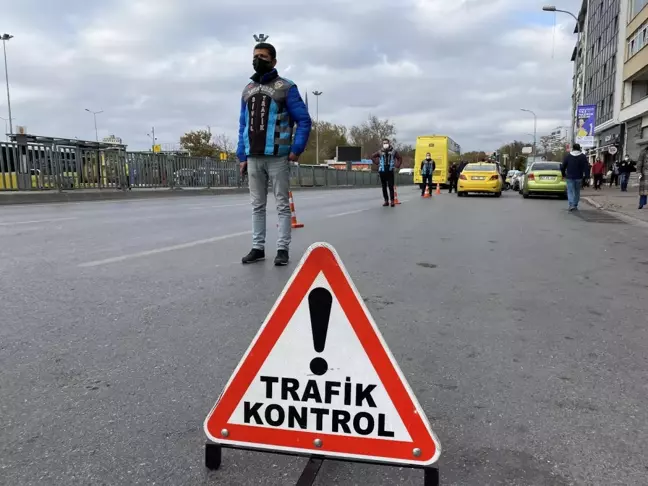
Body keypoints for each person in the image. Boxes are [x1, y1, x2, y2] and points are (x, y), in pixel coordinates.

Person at [237, 42, 312, 266]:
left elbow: (304, 120)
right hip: (253, 157)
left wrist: (295, 150)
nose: (257, 59)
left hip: (278, 156)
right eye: (255, 55)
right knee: (257, 205)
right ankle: (257, 248)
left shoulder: (286, 87)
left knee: (281, 204)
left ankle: (282, 249)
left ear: (274, 61)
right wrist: (242, 155)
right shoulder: (248, 90)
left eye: (263, 56)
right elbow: (242, 125)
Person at [371, 139, 402, 207]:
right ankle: (386, 201)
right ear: (382, 144)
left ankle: (392, 201)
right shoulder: (379, 151)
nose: (385, 144)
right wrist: (376, 162)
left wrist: (397, 165)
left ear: (389, 143)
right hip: (382, 171)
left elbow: (399, 158)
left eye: (386, 143)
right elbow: (372, 156)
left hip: (390, 171)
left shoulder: (393, 151)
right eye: (384, 143)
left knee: (391, 186)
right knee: (384, 187)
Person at [561, 143, 588, 211]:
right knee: (577, 191)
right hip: (579, 177)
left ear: (573, 148)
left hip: (569, 177)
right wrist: (587, 176)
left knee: (570, 191)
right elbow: (586, 167)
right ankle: (575, 204)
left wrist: (563, 174)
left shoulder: (568, 156)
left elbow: (563, 166)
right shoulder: (583, 156)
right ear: (579, 149)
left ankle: (571, 204)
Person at [637, 142, 647, 209]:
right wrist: (639, 172)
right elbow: (639, 162)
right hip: (645, 173)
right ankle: (641, 203)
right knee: (643, 190)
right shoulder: (644, 152)